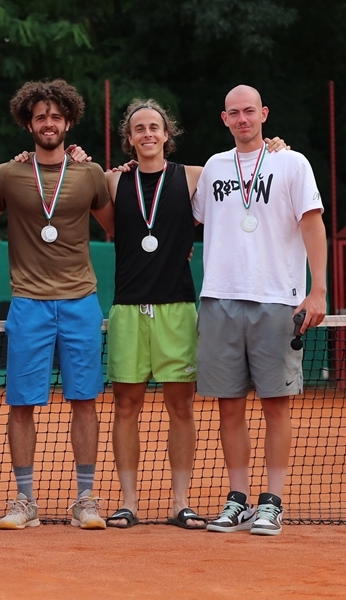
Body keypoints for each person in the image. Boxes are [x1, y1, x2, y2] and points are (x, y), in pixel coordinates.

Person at [103, 100, 291, 530]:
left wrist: (274, 148)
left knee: (181, 407)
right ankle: (128, 501)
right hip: (128, 308)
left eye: (154, 127)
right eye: (139, 129)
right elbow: (83, 199)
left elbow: (247, 172)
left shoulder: (196, 177)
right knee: (125, 406)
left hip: (179, 308)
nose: (148, 134)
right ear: (129, 138)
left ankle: (180, 503)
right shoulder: (113, 181)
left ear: (167, 134)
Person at [0, 79, 114, 530]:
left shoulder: (90, 174)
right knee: (21, 404)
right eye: (41, 116)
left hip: (81, 302)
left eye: (56, 116)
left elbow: (120, 228)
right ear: (28, 123)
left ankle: (85, 500)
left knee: (84, 401)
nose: (49, 123)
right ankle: (25, 501)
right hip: (28, 304)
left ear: (69, 121)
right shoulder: (7, 175)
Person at [194, 85, 326, 537]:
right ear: (225, 119)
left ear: (264, 113)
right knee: (228, 409)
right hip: (219, 299)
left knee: (276, 408)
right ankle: (237, 500)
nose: (243, 118)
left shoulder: (292, 163)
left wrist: (318, 290)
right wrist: (131, 163)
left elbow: (312, 223)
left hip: (277, 300)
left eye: (250, 110)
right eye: (235, 113)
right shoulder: (213, 167)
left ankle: (272, 502)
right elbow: (180, 190)